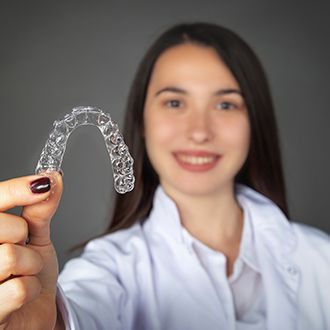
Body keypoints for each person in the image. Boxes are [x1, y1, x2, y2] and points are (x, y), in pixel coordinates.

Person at [0, 22, 329, 330]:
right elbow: (81, 313)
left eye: (226, 105)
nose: (199, 131)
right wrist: (50, 321)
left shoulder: (321, 258)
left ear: (254, 122)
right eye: (174, 102)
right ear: (141, 122)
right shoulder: (109, 269)